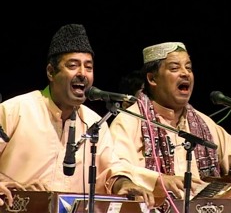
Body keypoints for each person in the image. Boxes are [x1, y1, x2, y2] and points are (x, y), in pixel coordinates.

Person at [0, 24, 164, 210]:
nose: (82, 74)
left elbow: (111, 169)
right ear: (51, 72)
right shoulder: (15, 110)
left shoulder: (95, 123)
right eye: (73, 65)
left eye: (88, 67)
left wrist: (124, 184)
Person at [110, 42, 231, 212]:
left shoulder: (205, 124)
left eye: (189, 68)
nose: (185, 73)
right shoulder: (129, 121)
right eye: (175, 68)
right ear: (152, 79)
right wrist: (159, 180)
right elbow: (115, 171)